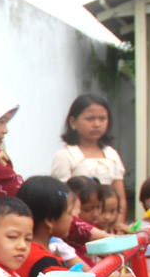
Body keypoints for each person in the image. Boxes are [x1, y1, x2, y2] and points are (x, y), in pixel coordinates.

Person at [51, 94, 127, 230]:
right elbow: (62, 198)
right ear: (73, 122)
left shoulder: (112, 154)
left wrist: (117, 225)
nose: (97, 124)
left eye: (102, 118)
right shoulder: (66, 155)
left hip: (107, 225)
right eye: (90, 119)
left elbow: (120, 197)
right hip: (79, 225)